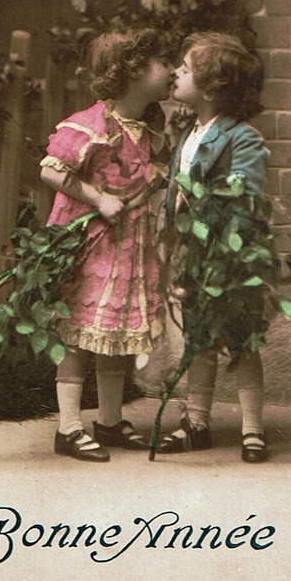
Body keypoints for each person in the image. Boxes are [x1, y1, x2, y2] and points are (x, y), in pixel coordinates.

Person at [39, 28, 174, 462]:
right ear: (132, 71)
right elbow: (52, 170)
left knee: (114, 335)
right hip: (94, 246)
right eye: (161, 63)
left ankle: (110, 421)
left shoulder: (149, 127)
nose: (171, 70)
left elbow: (143, 171)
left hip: (128, 248)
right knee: (80, 335)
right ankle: (69, 427)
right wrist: (98, 197)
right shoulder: (93, 124)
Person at [158, 31, 271, 463]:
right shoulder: (189, 131)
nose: (175, 73)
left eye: (184, 70)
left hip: (230, 253)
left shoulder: (241, 138)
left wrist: (221, 235)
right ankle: (196, 421)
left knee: (240, 339)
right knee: (199, 337)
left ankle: (253, 429)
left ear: (209, 88)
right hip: (193, 253)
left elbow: (245, 193)